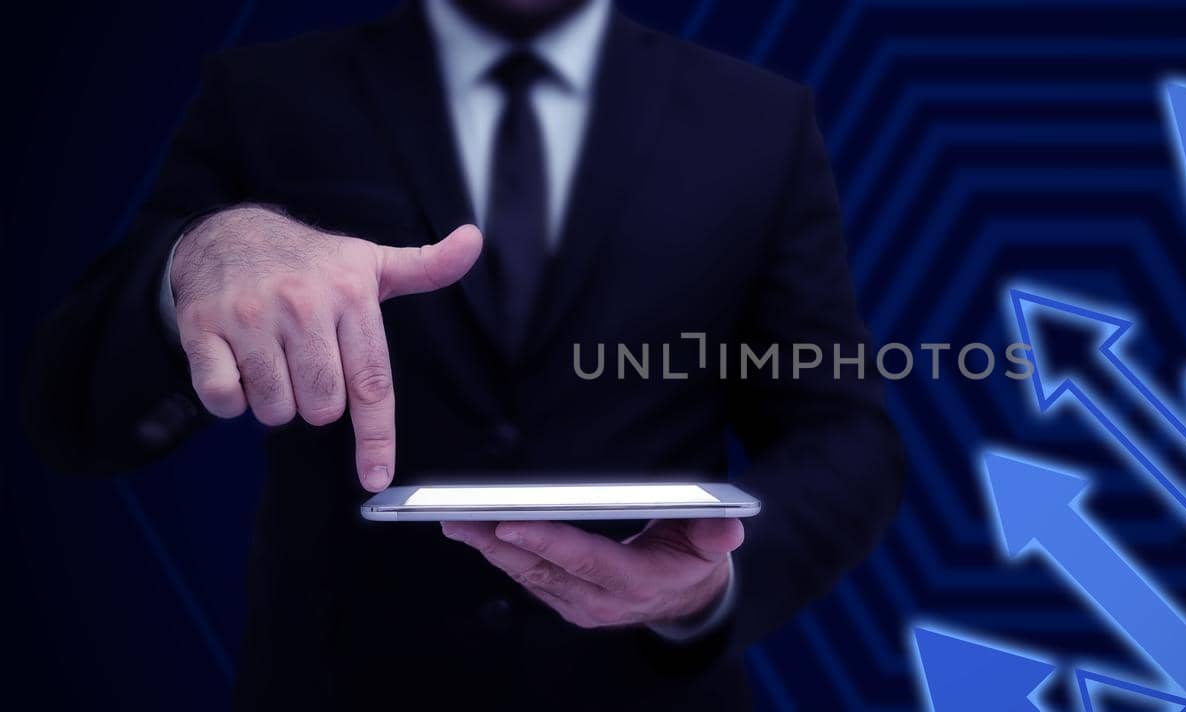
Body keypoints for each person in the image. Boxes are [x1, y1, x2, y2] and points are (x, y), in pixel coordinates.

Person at [22, 0, 904, 708]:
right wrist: (201, 261)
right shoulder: (265, 94)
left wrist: (705, 590)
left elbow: (842, 434)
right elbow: (74, 415)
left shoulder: (756, 119)